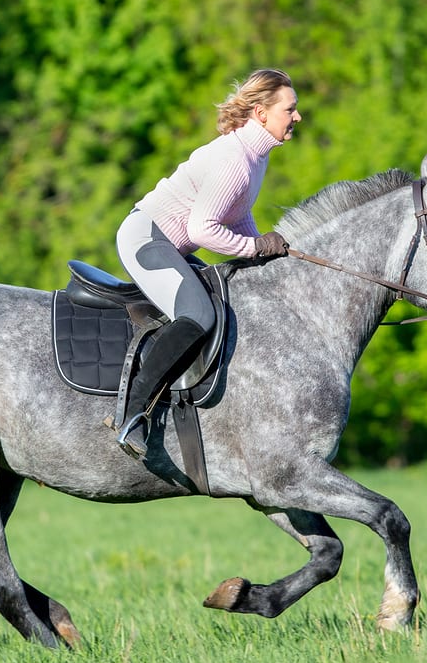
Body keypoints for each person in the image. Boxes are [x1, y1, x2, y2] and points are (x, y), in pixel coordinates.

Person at [113, 68, 302, 459]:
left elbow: (235, 216)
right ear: (261, 113)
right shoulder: (235, 160)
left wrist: (262, 252)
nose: (297, 117)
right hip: (146, 239)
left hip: (170, 243)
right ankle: (132, 416)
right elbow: (202, 229)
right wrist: (253, 248)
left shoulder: (256, 156)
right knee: (199, 315)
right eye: (291, 109)